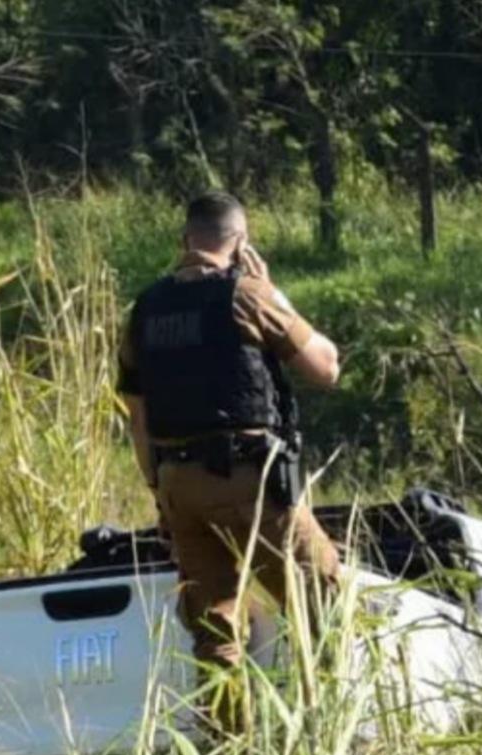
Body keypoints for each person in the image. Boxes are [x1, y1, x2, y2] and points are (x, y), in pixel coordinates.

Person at [117, 191, 342, 724]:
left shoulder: (145, 311)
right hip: (245, 479)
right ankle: (327, 737)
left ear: (184, 241)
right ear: (241, 244)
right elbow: (327, 366)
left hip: (177, 486)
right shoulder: (247, 295)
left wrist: (161, 494)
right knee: (325, 602)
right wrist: (272, 290)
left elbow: (138, 416)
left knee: (215, 632)